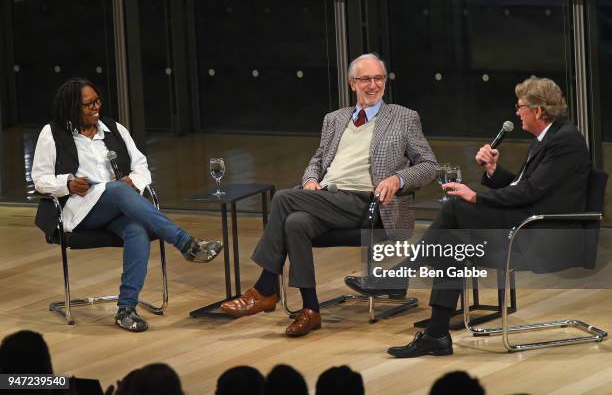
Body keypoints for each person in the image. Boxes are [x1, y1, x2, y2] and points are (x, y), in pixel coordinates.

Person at [347, 77, 592, 357]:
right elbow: (523, 187)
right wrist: (493, 171)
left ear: (537, 111)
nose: (516, 112)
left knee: (455, 208)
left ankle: (399, 276)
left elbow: (531, 192)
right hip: (526, 222)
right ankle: (436, 334)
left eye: (520, 106)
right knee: (452, 241)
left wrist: (476, 196)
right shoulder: (547, 138)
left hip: (544, 235)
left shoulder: (564, 141)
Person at [219, 53, 437, 336]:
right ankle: (311, 310)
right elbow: (318, 160)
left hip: (370, 205)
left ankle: (265, 287)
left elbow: (429, 166)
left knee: (284, 199)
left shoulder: (403, 118)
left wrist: (398, 178)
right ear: (352, 84)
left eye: (378, 78)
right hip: (328, 198)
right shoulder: (334, 119)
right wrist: (310, 180)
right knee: (295, 222)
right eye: (365, 79)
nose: (373, 85)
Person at [32, 77, 223, 332]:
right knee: (118, 190)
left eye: (97, 101)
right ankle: (186, 244)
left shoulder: (114, 129)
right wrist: (66, 183)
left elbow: (141, 165)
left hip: (119, 205)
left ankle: (126, 309)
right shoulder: (52, 133)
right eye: (88, 104)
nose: (96, 107)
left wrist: (134, 181)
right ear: (71, 107)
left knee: (136, 229)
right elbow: (40, 179)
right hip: (78, 211)